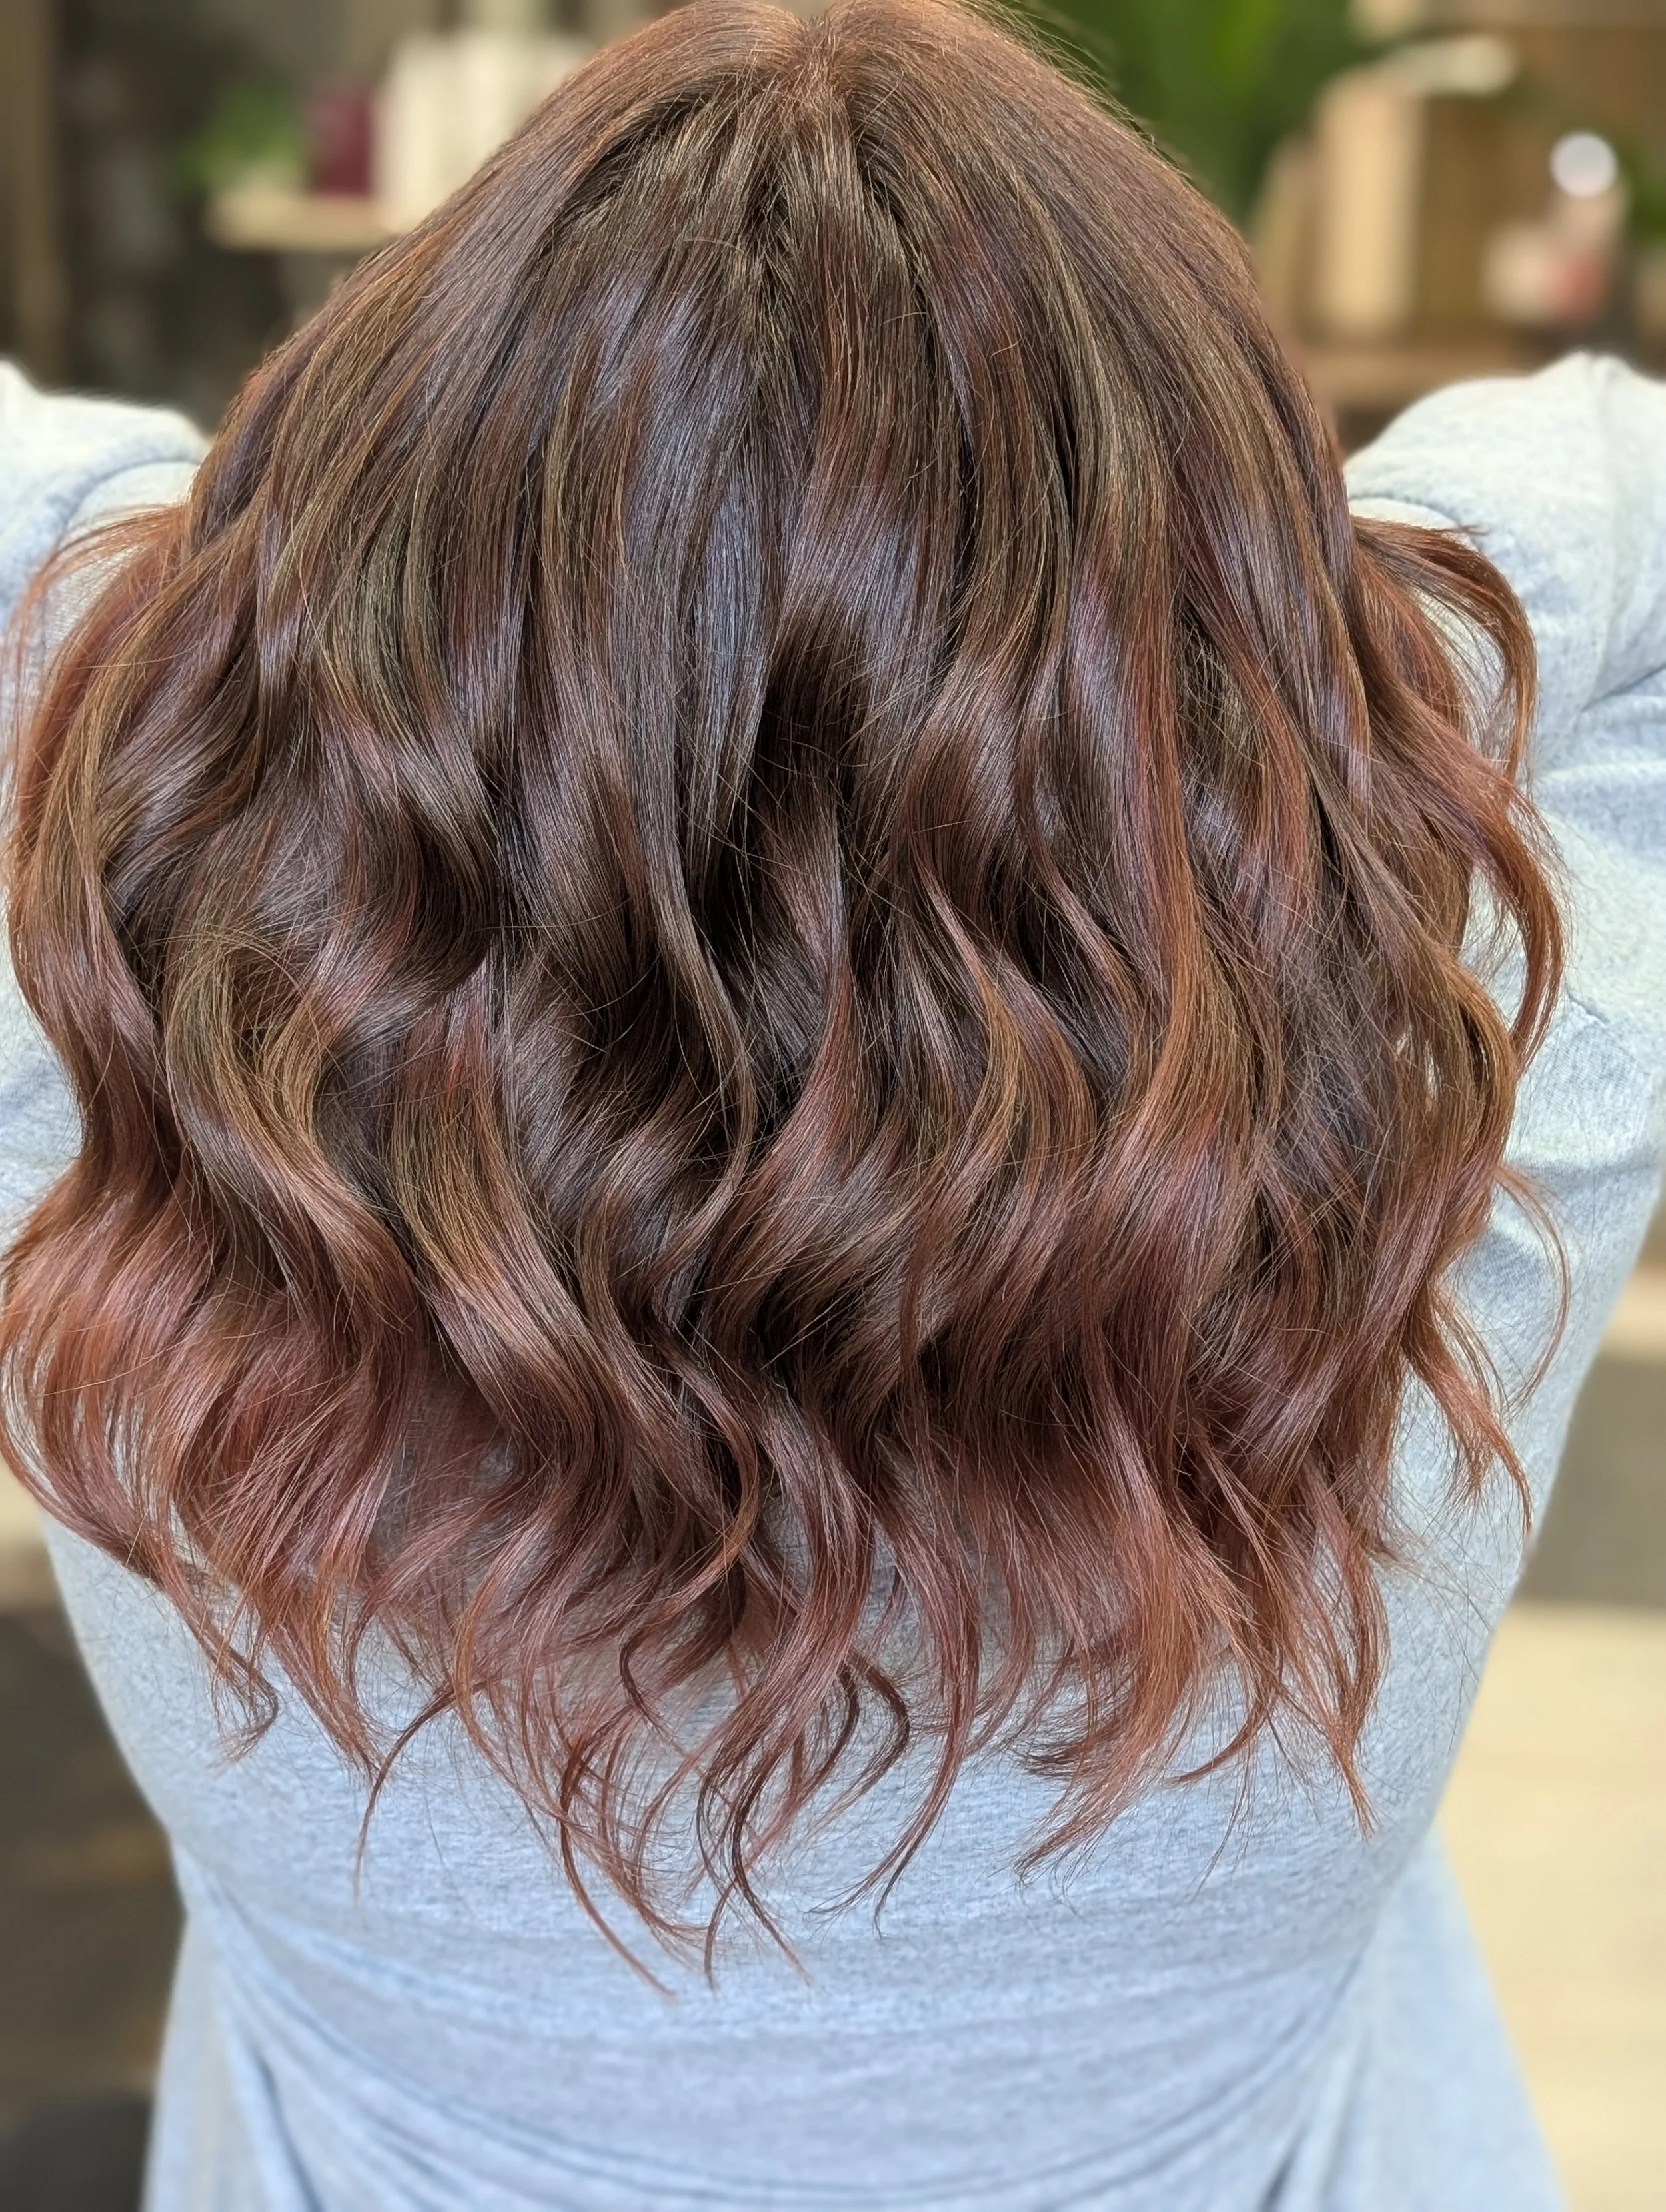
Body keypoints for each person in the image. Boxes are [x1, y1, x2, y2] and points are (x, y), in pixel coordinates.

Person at [1, 1, 1662, 2204]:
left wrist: (279, 600)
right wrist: (1299, 650)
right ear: (1242, 663)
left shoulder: (109, 1049)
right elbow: (1613, 466)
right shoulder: (1469, 1145)